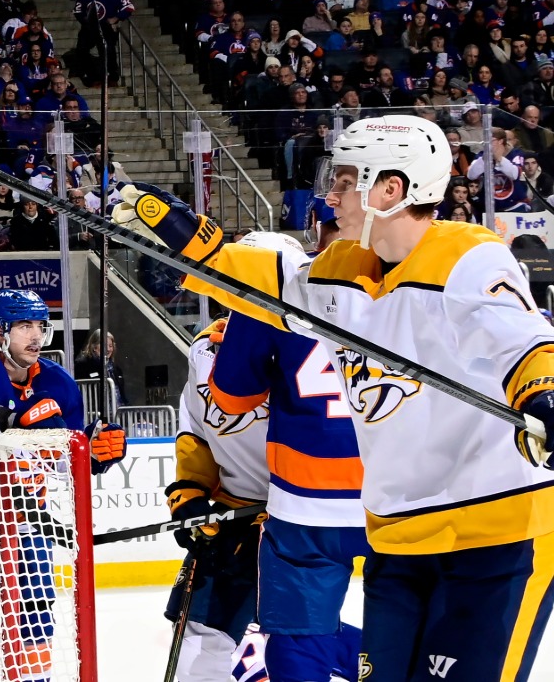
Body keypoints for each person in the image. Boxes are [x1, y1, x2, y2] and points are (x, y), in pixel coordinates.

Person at [116, 115, 554, 682]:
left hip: (497, 534)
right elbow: (270, 282)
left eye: (346, 181)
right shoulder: (339, 268)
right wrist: (192, 240)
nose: (330, 195)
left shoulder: (468, 257)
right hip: (396, 537)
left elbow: (522, 340)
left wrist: (543, 396)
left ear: (392, 189)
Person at [0, 290, 127, 680]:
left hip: (26, 514)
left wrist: (93, 452)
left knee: (35, 609)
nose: (36, 336)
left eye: (39, 325)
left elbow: (63, 458)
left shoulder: (59, 382)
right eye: (23, 326)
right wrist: (12, 418)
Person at [207, 232, 367, 682]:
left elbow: (232, 398)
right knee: (408, 634)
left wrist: (237, 339)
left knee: (299, 642)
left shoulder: (268, 289)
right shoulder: (404, 275)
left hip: (307, 503)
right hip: (400, 498)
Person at [163, 309, 268, 682]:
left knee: (293, 642)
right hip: (234, 520)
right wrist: (190, 494)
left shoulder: (300, 349)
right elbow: (197, 432)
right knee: (196, 639)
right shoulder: (205, 351)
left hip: (296, 523)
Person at [73, 0, 134, 87]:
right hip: (89, 26)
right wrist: (86, 21)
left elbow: (129, 7)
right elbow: (78, 11)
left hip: (106, 26)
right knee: (82, 49)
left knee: (108, 49)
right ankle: (93, 77)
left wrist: (116, 18)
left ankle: (112, 77)